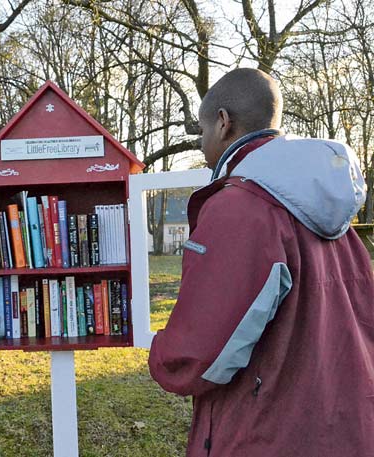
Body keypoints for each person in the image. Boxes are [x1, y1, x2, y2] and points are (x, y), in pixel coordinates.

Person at [148, 68, 374, 456]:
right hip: (346, 423)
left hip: (269, 432)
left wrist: (159, 354)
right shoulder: (330, 209)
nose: (203, 146)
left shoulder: (240, 208)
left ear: (223, 123)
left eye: (202, 132)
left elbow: (200, 354)